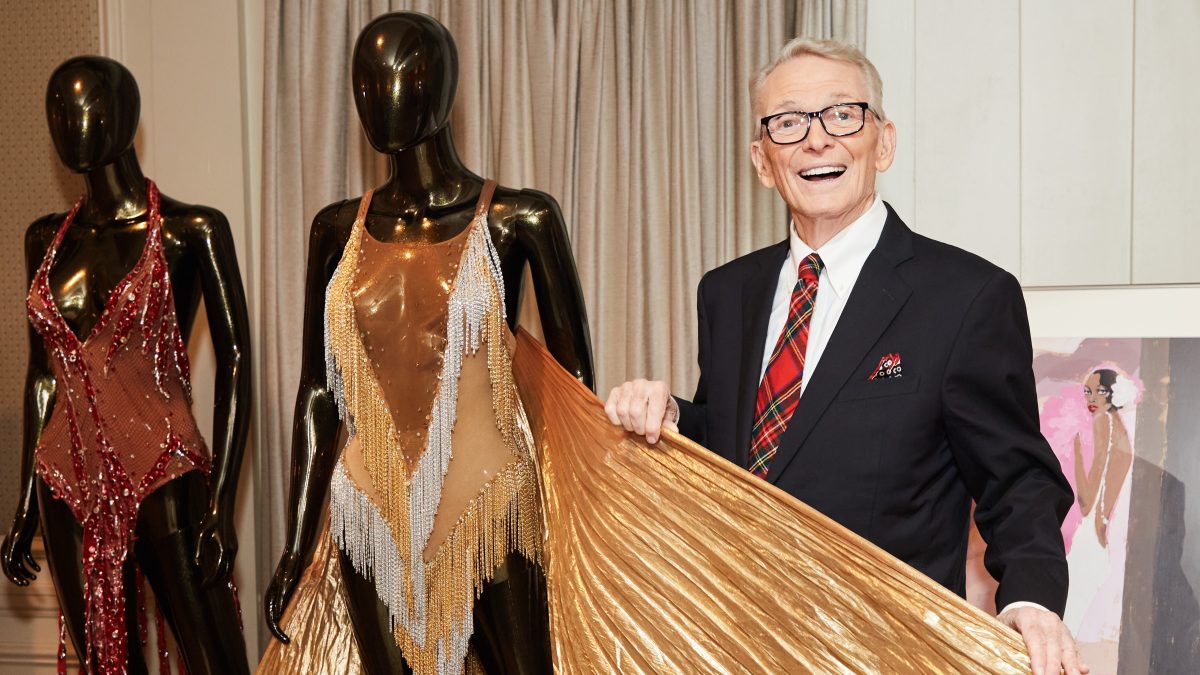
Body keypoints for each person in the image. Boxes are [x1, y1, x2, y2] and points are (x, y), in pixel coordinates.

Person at [605, 37, 1083, 675]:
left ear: (883, 141)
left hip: (885, 649)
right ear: (762, 160)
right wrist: (673, 418)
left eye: (842, 115)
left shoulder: (966, 295)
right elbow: (743, 446)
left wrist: (1031, 598)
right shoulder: (727, 291)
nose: (816, 139)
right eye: (788, 122)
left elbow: (1016, 478)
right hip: (730, 639)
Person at [0, 57, 252, 674]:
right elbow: (42, 375)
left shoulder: (193, 231)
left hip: (164, 474)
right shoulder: (44, 239)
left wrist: (219, 502)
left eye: (82, 107)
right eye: (55, 110)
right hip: (66, 479)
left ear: (121, 116)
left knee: (216, 657)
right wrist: (25, 502)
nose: (67, 124)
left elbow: (238, 362)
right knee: (104, 665)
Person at [1063, 368, 1134, 637]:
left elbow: (1085, 499)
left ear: (1113, 394)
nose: (1092, 398)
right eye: (1087, 391)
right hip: (1102, 531)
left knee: (1068, 620)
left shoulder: (1103, 422)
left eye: (1100, 391)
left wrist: (1078, 453)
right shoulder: (1118, 426)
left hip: (1092, 534)